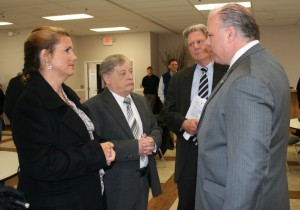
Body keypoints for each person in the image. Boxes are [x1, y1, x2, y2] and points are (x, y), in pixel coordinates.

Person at [195, 3, 290, 210]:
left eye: (210, 36)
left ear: (230, 34)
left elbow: (248, 170)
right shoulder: (267, 62)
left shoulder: (246, 80)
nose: (208, 44)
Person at [11, 26, 116, 210]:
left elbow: (84, 134)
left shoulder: (67, 94)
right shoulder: (31, 103)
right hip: (58, 201)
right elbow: (42, 163)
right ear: (46, 56)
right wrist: (96, 153)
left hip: (84, 194)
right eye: (67, 50)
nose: (74, 56)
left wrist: (104, 145)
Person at [159, 24, 228, 210]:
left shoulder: (228, 73)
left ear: (210, 41)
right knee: (187, 204)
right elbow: (166, 112)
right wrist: (183, 122)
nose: (195, 47)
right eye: (191, 44)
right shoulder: (180, 78)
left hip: (219, 155)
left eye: (199, 41)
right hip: (188, 155)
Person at [83, 54, 162, 210]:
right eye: (123, 73)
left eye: (130, 71)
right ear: (107, 78)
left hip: (143, 179)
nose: (130, 77)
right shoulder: (93, 107)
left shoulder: (141, 101)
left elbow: (156, 128)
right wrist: (135, 147)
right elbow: (95, 147)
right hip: (117, 185)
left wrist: (153, 142)